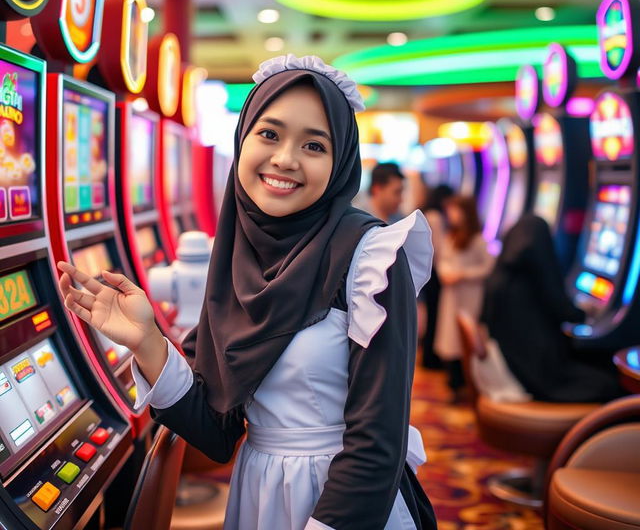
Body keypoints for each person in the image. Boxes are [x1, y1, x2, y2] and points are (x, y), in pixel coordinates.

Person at [57, 54, 437, 530]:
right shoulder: (238, 256)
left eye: (314, 145)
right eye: (269, 134)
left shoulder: (371, 257)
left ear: (340, 161)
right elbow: (216, 431)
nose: (284, 159)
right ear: (243, 140)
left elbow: (377, 445)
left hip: (347, 507)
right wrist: (148, 341)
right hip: (260, 497)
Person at [481, 214, 623, 403]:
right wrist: (586, 311)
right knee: (612, 384)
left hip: (516, 367)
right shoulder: (534, 273)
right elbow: (563, 310)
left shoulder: (504, 275)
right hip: (538, 377)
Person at [434, 195, 493, 402]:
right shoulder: (450, 236)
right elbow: (441, 261)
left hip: (470, 295)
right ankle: (454, 384)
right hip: (451, 295)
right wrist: (446, 273)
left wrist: (463, 274)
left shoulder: (477, 239)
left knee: (465, 340)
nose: (451, 215)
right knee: (449, 339)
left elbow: (487, 267)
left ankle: (468, 384)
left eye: (455, 210)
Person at [418, 184, 454, 368]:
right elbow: (438, 248)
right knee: (434, 315)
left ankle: (429, 356)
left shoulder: (426, 212)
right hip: (434, 271)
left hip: (426, 269)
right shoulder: (436, 216)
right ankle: (431, 358)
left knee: (432, 314)